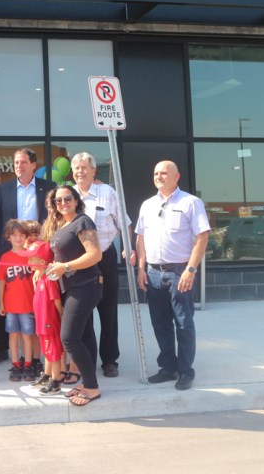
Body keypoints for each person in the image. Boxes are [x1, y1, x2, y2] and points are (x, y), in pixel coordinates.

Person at [135, 160, 210, 392]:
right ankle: (168, 368)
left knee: (183, 323)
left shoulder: (190, 202)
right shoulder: (147, 205)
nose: (159, 176)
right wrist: (140, 267)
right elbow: (140, 238)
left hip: (180, 272)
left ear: (176, 176)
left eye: (164, 173)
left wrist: (191, 269)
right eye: (156, 173)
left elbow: (202, 237)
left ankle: (186, 371)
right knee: (160, 324)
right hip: (154, 273)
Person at [0, 148, 56, 365]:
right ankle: (2, 345)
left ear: (33, 165)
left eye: (24, 162)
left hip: (38, 254)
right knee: (5, 299)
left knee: (37, 301)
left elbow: (54, 221)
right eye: (16, 162)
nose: (19, 166)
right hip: (11, 252)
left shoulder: (49, 187)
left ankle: (38, 351)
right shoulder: (4, 189)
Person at [71, 152, 135, 378]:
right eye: (76, 168)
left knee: (108, 311)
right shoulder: (69, 195)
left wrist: (129, 247)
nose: (80, 172)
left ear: (93, 170)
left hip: (106, 257)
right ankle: (87, 357)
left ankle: (110, 360)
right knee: (83, 313)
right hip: (81, 262)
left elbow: (124, 223)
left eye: (84, 168)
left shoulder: (107, 192)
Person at [43, 184, 104, 407]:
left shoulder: (83, 221)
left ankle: (92, 388)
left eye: (67, 198)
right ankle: (89, 383)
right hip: (73, 286)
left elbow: (95, 255)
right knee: (85, 337)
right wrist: (58, 267)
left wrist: (65, 267)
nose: (62, 203)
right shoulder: (64, 225)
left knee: (68, 337)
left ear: (76, 200)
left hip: (86, 285)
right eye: (57, 201)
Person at [0, 219, 35, 383]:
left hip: (28, 304)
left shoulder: (31, 256)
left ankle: (28, 364)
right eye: (14, 235)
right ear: (8, 237)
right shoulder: (5, 257)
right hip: (11, 305)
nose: (18, 238)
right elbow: (1, 281)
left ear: (26, 237)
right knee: (13, 335)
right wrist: (1, 303)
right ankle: (15, 365)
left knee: (27, 335)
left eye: (21, 235)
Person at [25, 238, 64, 395]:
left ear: (41, 260)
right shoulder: (39, 277)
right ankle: (47, 376)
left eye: (31, 258)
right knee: (47, 351)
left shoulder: (49, 279)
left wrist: (61, 316)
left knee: (53, 353)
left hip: (49, 323)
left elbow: (56, 301)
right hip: (42, 323)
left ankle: (55, 382)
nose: (28, 261)